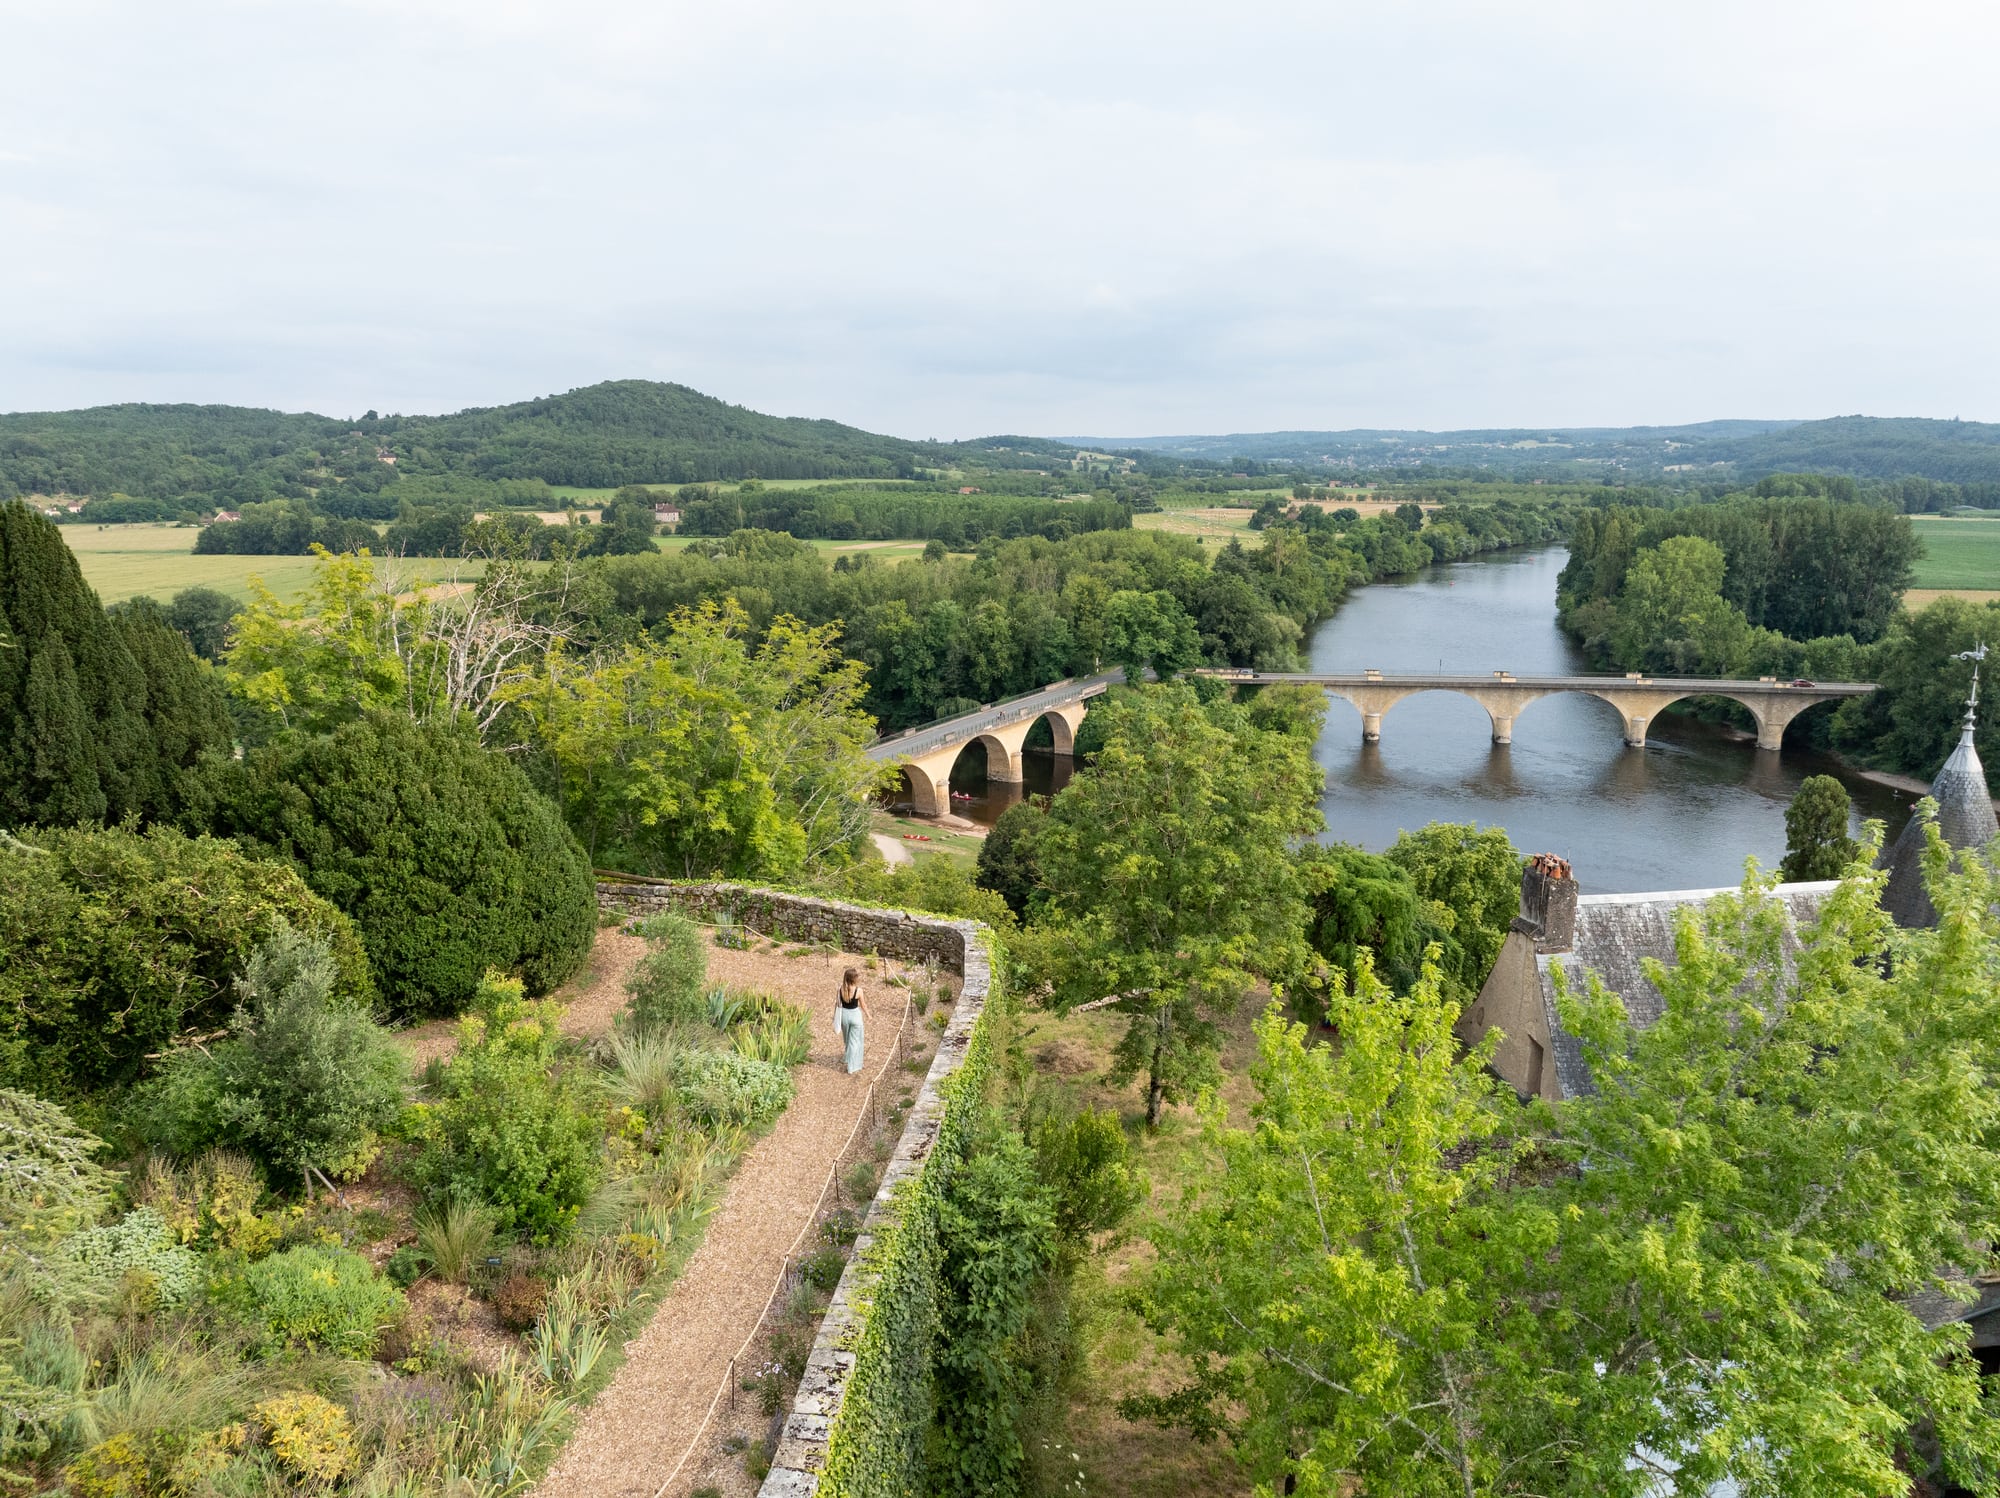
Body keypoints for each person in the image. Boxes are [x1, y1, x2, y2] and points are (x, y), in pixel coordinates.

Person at [833, 967, 871, 1075]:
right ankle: (852, 1066)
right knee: (854, 1041)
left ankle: (846, 1057)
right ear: (854, 979)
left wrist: (834, 1016)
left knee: (847, 1039)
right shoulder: (858, 991)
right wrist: (868, 1015)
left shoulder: (840, 989)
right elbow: (863, 1005)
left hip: (844, 1016)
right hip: (855, 1016)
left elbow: (837, 1004)